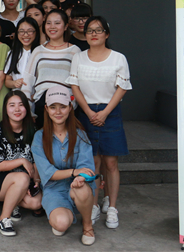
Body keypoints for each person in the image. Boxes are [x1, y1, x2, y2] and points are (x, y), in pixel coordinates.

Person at [66, 16, 132, 230]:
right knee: (92, 162)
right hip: (86, 112)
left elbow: (122, 87)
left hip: (110, 112)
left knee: (111, 163)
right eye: (89, 30)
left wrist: (104, 113)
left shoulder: (118, 58)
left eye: (98, 30)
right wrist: (87, 111)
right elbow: (74, 85)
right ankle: (93, 205)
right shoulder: (79, 57)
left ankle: (111, 207)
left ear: (106, 34)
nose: (93, 34)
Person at [31, 86, 96, 245]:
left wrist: (80, 177)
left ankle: (87, 225)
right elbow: (48, 172)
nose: (58, 112)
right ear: (46, 109)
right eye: (53, 107)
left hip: (78, 186)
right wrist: (74, 172)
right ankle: (65, 214)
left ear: (70, 107)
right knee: (61, 224)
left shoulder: (80, 134)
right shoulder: (39, 137)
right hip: (54, 189)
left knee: (81, 189)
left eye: (63, 106)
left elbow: (87, 167)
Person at [0, 91, 42, 236]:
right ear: (5, 109)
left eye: (21, 105)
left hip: (23, 180)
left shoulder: (32, 131)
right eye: (12, 105)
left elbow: (35, 160)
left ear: (26, 108)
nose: (17, 109)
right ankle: (3, 219)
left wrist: (36, 180)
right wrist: (22, 160)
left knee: (36, 203)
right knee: (22, 178)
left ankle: (13, 202)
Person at [22, 9, 81, 128]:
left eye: (57, 23)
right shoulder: (38, 51)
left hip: (65, 105)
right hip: (42, 104)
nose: (52, 27)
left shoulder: (74, 51)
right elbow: (27, 81)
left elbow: (79, 83)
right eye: (48, 23)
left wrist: (72, 105)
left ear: (66, 26)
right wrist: (29, 110)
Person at [4, 17, 41, 92]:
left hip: (35, 96)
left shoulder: (41, 53)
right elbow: (7, 81)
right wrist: (14, 83)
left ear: (36, 32)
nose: (25, 35)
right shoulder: (12, 53)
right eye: (21, 31)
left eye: (30, 31)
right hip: (17, 95)